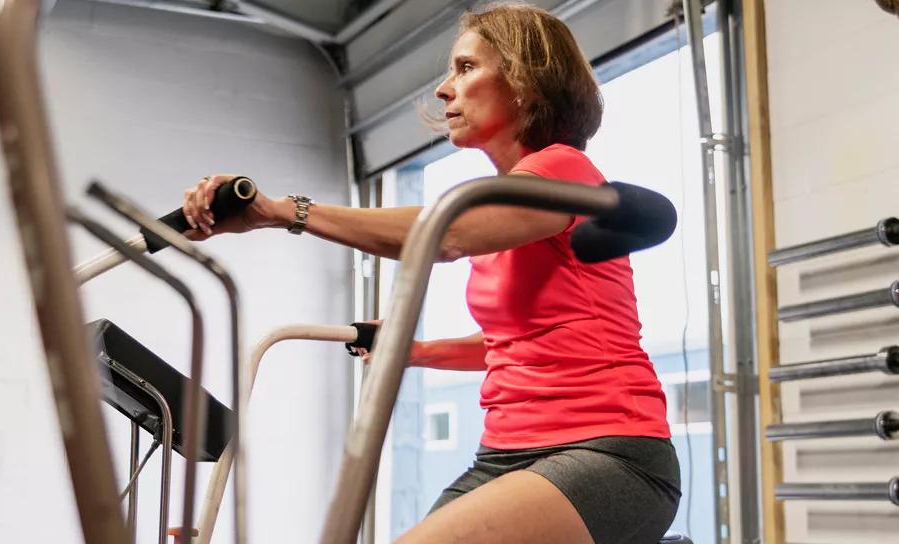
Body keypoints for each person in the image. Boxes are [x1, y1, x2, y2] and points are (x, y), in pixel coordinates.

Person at [182, 4, 680, 543]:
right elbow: (511, 342)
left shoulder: (562, 170)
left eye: (466, 69)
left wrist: (282, 212)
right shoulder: (503, 208)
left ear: (524, 81)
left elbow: (444, 236)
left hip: (606, 451)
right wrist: (412, 350)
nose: (444, 89)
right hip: (505, 455)